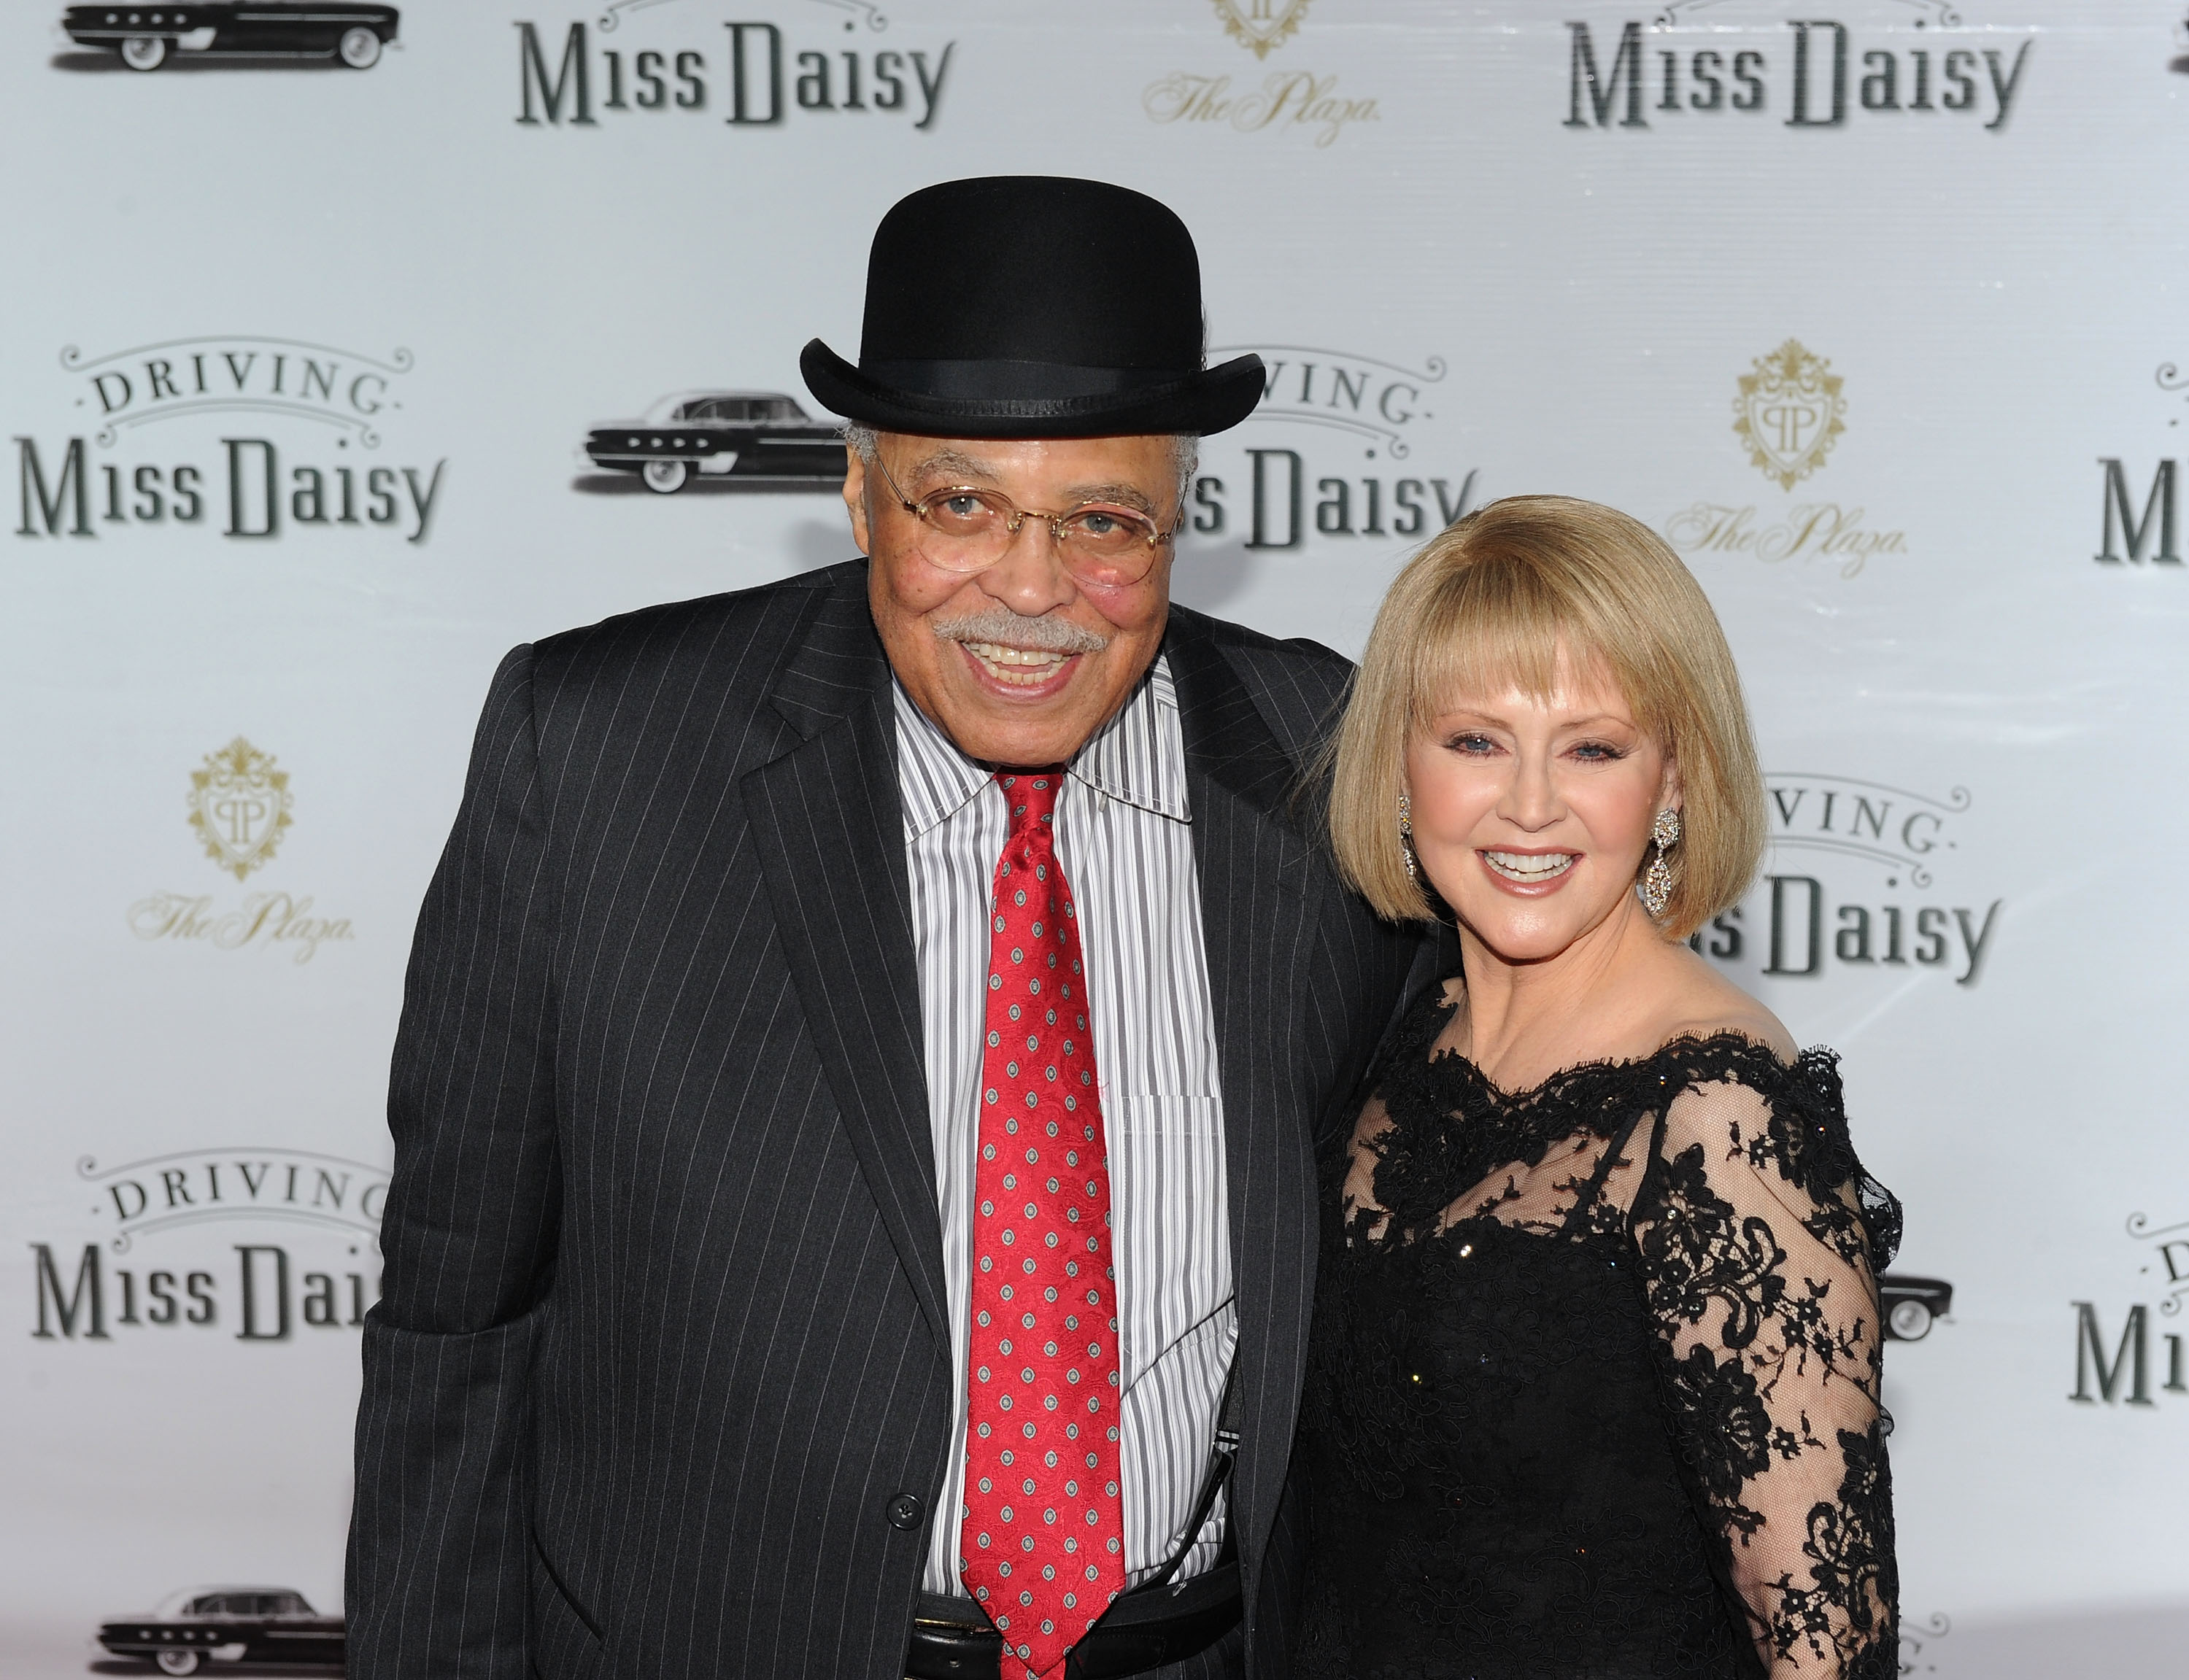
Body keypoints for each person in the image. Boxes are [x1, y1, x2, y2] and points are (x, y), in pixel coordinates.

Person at [345, 176, 1438, 1680]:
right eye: (961, 506)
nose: (1034, 589)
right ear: (860, 493)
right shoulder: (597, 759)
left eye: (1102, 520)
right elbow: (458, 1330)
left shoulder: (1328, 759)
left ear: (1184, 516)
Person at [1294, 496, 1901, 1679]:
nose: (1530, 804)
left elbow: (1825, 1645)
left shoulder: (1720, 1116)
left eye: (1593, 747)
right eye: (1475, 741)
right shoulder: (1400, 1038)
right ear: (1400, 769)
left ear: (1671, 781)